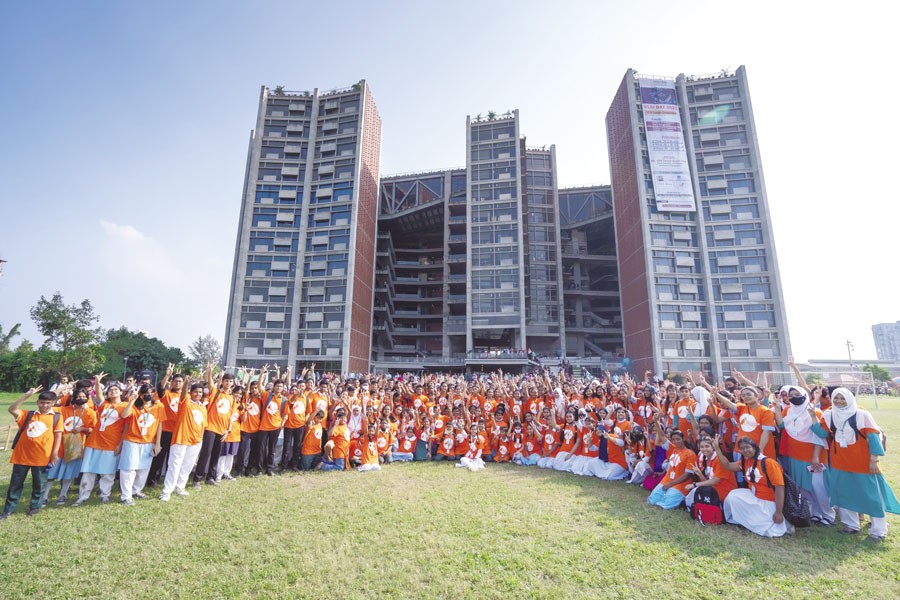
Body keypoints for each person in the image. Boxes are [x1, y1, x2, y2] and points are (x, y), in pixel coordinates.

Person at [811, 387, 900, 542]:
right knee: (844, 494)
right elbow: (822, 433)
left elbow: (873, 438)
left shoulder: (862, 415)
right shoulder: (830, 415)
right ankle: (851, 525)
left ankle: (878, 531)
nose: (839, 401)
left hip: (862, 463)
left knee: (871, 496)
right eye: (836, 398)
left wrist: (873, 460)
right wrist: (813, 416)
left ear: (850, 399)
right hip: (840, 462)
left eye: (842, 398)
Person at [773, 385, 834, 526]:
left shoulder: (815, 412)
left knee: (819, 488)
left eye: (797, 394)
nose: (794, 397)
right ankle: (816, 513)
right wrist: (777, 410)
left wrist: (815, 456)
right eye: (791, 395)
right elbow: (782, 426)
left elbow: (821, 435)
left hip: (814, 457)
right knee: (804, 488)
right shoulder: (788, 410)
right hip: (795, 456)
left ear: (804, 395)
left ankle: (829, 515)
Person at [1, 387, 63, 519]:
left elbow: (58, 436)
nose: (45, 405)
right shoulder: (28, 415)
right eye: (42, 402)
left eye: (48, 403)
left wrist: (54, 453)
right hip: (22, 456)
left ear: (53, 403)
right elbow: (12, 409)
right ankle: (8, 509)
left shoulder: (56, 417)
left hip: (42, 457)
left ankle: (34, 507)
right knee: (15, 484)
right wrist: (26, 395)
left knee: (39, 484)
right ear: (37, 403)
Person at [712, 435, 790, 537]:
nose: (745, 450)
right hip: (754, 497)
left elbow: (780, 488)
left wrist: (778, 512)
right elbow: (727, 466)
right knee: (733, 496)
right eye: (742, 448)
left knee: (771, 530)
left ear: (754, 447)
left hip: (769, 502)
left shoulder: (769, 463)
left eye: (747, 447)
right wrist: (717, 449)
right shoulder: (746, 462)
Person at [75, 375, 130, 506]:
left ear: (121, 392)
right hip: (94, 442)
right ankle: (83, 495)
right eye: (111, 390)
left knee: (108, 473)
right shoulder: (104, 404)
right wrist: (98, 382)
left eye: (116, 390)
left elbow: (126, 426)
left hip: (111, 444)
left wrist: (120, 444)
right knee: (88, 471)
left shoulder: (125, 406)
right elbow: (99, 395)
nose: (113, 392)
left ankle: (105, 495)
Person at [48, 386, 97, 506]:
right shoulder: (63, 410)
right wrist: (61, 390)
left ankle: (63, 495)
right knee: (50, 474)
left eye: (83, 397)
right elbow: (48, 404)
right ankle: (44, 496)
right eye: (78, 396)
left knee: (69, 474)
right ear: (73, 398)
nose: (81, 398)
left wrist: (83, 428)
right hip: (59, 446)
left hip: (75, 446)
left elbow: (93, 429)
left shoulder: (90, 412)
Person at [160, 381, 208, 501]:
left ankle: (180, 487)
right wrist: (186, 383)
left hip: (195, 441)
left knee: (187, 466)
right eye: (196, 392)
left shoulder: (203, 408)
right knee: (174, 465)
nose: (198, 394)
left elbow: (203, 426)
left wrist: (200, 441)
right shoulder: (186, 402)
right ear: (190, 393)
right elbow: (183, 394)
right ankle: (167, 491)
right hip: (181, 438)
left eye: (200, 392)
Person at [118, 384, 164, 505]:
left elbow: (160, 424)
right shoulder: (134, 406)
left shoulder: (159, 406)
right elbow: (124, 415)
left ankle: (136, 490)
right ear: (140, 394)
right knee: (129, 468)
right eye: (145, 393)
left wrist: (158, 443)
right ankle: (126, 495)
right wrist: (132, 400)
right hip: (132, 441)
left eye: (151, 392)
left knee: (143, 469)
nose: (149, 395)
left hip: (148, 441)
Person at [646, 429, 696, 509]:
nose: (676, 441)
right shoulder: (674, 450)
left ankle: (681, 500)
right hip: (667, 480)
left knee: (666, 504)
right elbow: (662, 436)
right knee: (652, 500)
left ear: (683, 439)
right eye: (673, 440)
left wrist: (670, 484)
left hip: (681, 483)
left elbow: (687, 475)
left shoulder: (690, 454)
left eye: (678, 439)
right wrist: (656, 421)